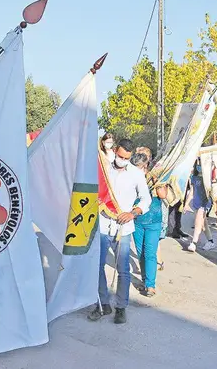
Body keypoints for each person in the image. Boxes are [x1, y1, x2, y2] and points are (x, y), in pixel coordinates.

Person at [88, 138, 152, 325]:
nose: (123, 160)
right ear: (115, 151)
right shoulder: (104, 171)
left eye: (127, 158)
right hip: (102, 225)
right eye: (120, 156)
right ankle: (103, 304)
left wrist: (133, 213)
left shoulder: (136, 174)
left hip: (123, 228)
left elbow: (145, 199)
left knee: (123, 270)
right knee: (97, 267)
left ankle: (121, 307)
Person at [134, 181, 166, 298]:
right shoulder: (133, 176)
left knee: (150, 253)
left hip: (154, 221)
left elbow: (163, 195)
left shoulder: (158, 178)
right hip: (137, 220)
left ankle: (151, 285)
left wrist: (157, 183)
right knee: (140, 253)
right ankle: (144, 280)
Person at [186, 159, 215, 252]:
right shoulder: (194, 177)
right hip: (196, 203)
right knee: (203, 223)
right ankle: (210, 241)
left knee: (198, 221)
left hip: (205, 202)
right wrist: (186, 204)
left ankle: (193, 243)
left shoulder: (208, 178)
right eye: (197, 164)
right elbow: (192, 191)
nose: (199, 166)